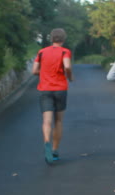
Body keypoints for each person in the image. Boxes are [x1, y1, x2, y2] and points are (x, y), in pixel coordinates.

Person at [32, 28, 73, 164]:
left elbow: (34, 71)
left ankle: (47, 142)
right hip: (60, 89)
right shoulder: (64, 51)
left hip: (45, 89)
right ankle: (55, 150)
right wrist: (69, 76)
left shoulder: (42, 52)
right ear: (63, 39)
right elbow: (67, 66)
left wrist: (44, 74)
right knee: (58, 121)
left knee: (46, 121)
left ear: (51, 38)